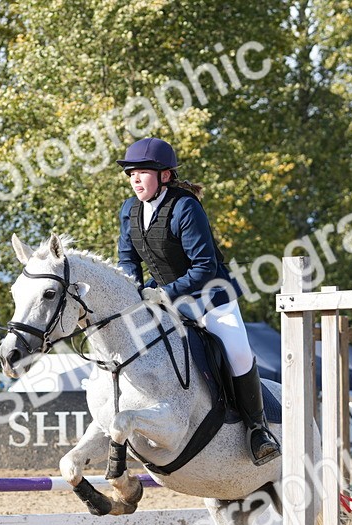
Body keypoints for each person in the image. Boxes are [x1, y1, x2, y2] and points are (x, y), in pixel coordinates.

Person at [115, 137, 280, 465]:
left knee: (237, 351)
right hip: (163, 297)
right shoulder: (129, 210)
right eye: (131, 173)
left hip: (210, 295)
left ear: (164, 176)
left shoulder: (185, 207)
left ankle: (257, 429)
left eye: (142, 172)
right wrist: (132, 293)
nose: (135, 179)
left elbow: (204, 266)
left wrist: (165, 293)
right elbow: (127, 260)